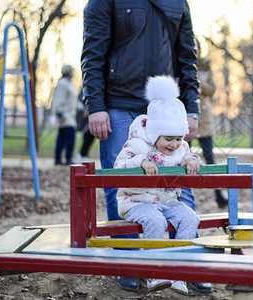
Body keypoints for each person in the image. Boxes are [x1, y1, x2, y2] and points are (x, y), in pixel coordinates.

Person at [81, 0, 205, 292]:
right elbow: (93, 52)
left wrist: (191, 108)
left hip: (165, 104)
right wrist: (95, 105)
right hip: (118, 101)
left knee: (178, 176)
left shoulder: (178, 2)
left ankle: (185, 265)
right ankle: (130, 263)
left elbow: (187, 56)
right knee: (120, 180)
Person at [115, 76, 201, 295]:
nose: (173, 145)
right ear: (155, 134)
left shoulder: (181, 148)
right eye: (168, 139)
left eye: (178, 139)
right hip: (137, 202)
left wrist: (192, 161)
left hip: (168, 201)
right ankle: (155, 272)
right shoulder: (137, 144)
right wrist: (140, 161)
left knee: (191, 217)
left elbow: (190, 155)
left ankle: (179, 273)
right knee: (155, 220)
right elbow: (119, 166)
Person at [194, 38, 228, 208]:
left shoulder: (206, 68)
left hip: (204, 119)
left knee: (210, 158)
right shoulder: (178, 63)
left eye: (196, 47)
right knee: (179, 157)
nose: (194, 50)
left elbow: (212, 90)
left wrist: (197, 80)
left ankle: (218, 194)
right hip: (185, 119)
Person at [50, 64, 79, 166]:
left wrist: (82, 108)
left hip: (70, 115)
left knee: (62, 137)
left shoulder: (69, 84)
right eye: (72, 71)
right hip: (64, 116)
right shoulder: (62, 83)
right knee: (69, 137)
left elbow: (73, 101)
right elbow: (59, 99)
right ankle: (67, 158)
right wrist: (59, 114)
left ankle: (59, 159)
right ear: (68, 72)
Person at [76, 90, 95, 163]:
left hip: (90, 113)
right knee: (87, 135)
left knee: (90, 136)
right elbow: (81, 100)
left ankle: (84, 154)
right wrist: (84, 109)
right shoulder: (84, 89)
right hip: (85, 117)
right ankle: (82, 154)